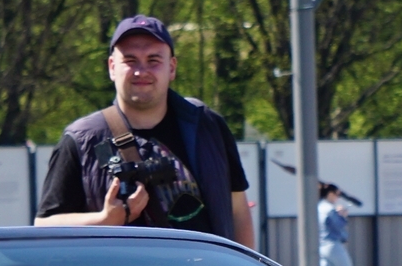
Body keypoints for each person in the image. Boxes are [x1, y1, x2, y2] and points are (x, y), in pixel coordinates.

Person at [36, 16, 257, 247]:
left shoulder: (208, 126)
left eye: (153, 60)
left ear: (171, 68)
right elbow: (44, 225)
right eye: (130, 60)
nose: (141, 71)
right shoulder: (82, 140)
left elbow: (238, 212)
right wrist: (105, 220)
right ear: (112, 67)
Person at [317, 182, 362, 266]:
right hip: (334, 245)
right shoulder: (330, 210)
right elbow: (338, 226)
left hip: (322, 245)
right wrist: (342, 216)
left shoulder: (319, 207)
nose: (337, 198)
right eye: (337, 195)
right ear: (330, 194)